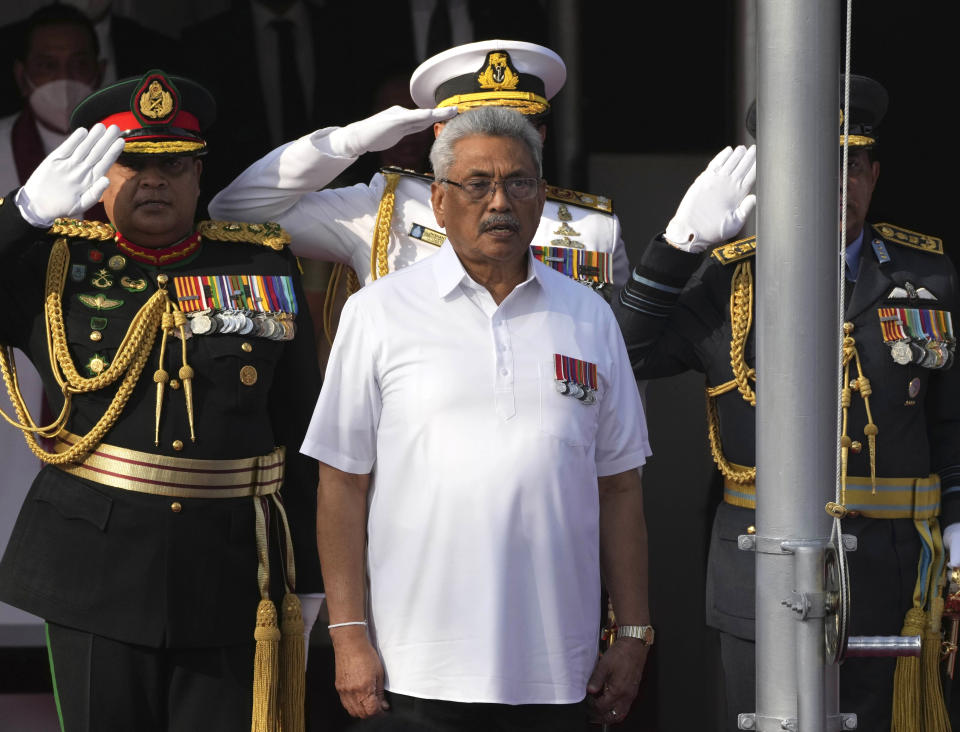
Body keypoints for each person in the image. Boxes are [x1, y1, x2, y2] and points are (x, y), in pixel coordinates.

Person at [613, 75, 960, 730]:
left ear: (873, 173)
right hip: (759, 570)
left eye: (851, 163)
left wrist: (957, 535)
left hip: (893, 575)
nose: (834, 181)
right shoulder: (729, 278)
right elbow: (623, 357)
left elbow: (950, 426)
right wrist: (681, 243)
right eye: (812, 163)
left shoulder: (927, 276)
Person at [302, 107, 653, 731]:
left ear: (542, 198)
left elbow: (620, 484)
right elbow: (342, 483)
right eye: (477, 184)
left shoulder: (588, 315)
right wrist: (349, 636)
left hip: (558, 673)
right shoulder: (379, 312)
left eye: (519, 183)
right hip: (414, 670)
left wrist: (632, 633)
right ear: (438, 201)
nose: (501, 202)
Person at [0, 69, 322, 732]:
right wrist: (23, 214)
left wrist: (309, 579)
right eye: (131, 164)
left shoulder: (260, 267)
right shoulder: (53, 266)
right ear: (102, 178)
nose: (153, 180)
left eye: (172, 164)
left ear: (199, 176)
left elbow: (299, 429)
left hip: (230, 576)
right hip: (92, 573)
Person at [208, 39, 631, 299]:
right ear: (439, 132)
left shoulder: (592, 226)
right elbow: (238, 211)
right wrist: (350, 141)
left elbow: (620, 373)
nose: (498, 142)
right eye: (477, 128)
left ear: (541, 135)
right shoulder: (386, 205)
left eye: (519, 127)